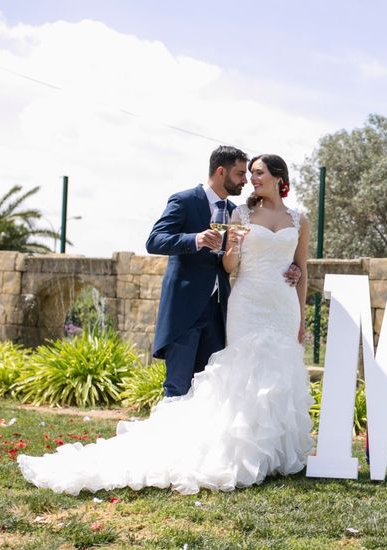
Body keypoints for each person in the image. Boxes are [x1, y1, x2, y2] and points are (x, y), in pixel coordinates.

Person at [17, 153, 314, 495]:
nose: (249, 179)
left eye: (257, 173)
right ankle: (237, 453)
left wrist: (301, 314)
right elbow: (229, 265)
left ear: (279, 176)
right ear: (221, 172)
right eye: (244, 173)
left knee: (278, 376)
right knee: (238, 378)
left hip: (279, 305)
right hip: (242, 304)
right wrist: (225, 245)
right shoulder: (236, 212)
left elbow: (300, 267)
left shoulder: (298, 218)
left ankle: (273, 455)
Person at [143, 145, 299, 397]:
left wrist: (291, 266)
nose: (245, 181)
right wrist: (196, 239)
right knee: (177, 385)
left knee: (210, 389)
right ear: (220, 172)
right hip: (185, 309)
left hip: (220, 312)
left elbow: (252, 254)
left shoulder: (236, 212)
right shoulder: (184, 201)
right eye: (239, 174)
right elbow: (155, 241)